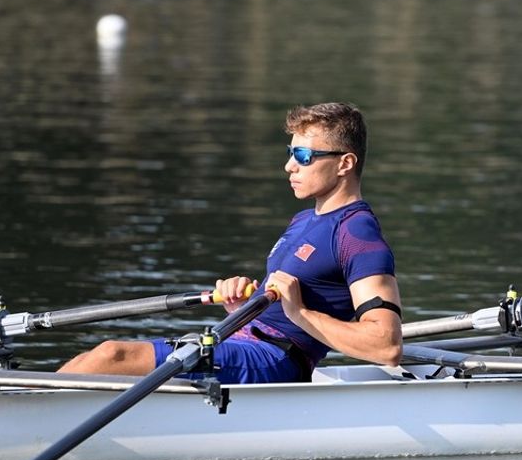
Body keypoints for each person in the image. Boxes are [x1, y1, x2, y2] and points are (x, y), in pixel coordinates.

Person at [60, 102, 402, 382]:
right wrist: (243, 308)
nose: (288, 167)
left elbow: (386, 345)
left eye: (303, 157)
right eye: (289, 153)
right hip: (240, 340)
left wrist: (299, 313)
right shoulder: (302, 221)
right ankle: (24, 403)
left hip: (274, 360)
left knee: (112, 355)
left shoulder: (356, 233)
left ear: (345, 163)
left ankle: (19, 415)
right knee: (94, 356)